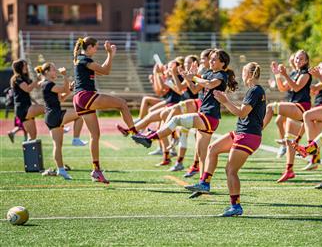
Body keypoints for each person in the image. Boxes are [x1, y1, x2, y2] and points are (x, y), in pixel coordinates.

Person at [131, 49, 238, 194]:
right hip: (204, 115)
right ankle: (203, 184)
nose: (211, 61)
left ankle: (150, 138)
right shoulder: (208, 73)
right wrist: (187, 77)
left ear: (222, 63)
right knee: (202, 154)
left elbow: (209, 84)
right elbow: (194, 90)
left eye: (214, 59)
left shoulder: (221, 75)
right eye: (211, 59)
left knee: (176, 119)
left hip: (209, 117)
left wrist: (194, 77)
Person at [184, 62, 266, 217]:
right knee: (213, 148)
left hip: (248, 135)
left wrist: (225, 101)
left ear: (248, 74)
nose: (242, 74)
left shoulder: (255, 91)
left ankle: (235, 206)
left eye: (244, 71)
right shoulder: (254, 90)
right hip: (243, 132)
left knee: (230, 170)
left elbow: (242, 113)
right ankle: (205, 183)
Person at [73, 37, 137, 184]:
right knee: (122, 103)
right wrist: (110, 54)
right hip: (85, 96)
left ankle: (96, 169)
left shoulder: (80, 59)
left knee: (95, 135)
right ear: (89, 47)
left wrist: (110, 56)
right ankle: (135, 132)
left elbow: (102, 71)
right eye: (95, 47)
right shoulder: (84, 59)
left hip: (79, 100)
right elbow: (106, 71)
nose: (96, 50)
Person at [262, 50, 312, 182]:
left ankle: (258, 129)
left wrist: (284, 74)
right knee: (290, 141)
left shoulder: (305, 74)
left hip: (301, 107)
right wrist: (278, 75)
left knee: (270, 107)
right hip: (294, 107)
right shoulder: (295, 73)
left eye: (301, 59)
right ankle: (289, 170)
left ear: (306, 61)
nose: (298, 61)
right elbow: (283, 88)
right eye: (297, 58)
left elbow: (296, 88)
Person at [35, 63, 84, 180]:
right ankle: (76, 139)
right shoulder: (48, 83)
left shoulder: (46, 84)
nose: (55, 72)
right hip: (54, 115)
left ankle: (61, 170)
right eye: (53, 70)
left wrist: (70, 89)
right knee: (81, 113)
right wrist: (65, 76)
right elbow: (63, 89)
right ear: (46, 72)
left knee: (57, 145)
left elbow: (61, 97)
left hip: (50, 117)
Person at [302, 62, 322, 170]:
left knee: (315, 135)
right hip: (319, 108)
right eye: (320, 68)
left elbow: (314, 87)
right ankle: (314, 160)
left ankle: (313, 154)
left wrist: (303, 82)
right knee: (316, 135)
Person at [10, 59, 45, 141]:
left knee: (33, 136)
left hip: (26, 107)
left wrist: (40, 77)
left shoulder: (25, 77)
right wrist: (36, 80)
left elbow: (37, 86)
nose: (26, 67)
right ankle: (56, 125)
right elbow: (28, 89)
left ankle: (27, 153)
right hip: (22, 108)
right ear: (20, 67)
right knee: (47, 108)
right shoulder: (17, 78)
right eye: (24, 65)